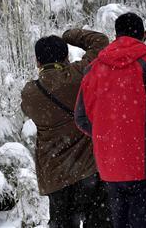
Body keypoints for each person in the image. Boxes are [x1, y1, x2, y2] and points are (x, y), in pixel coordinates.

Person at [75, 12, 146, 228]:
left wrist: (108, 133)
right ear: (144, 35)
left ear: (116, 35)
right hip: (144, 161)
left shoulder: (94, 68)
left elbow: (81, 118)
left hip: (110, 164)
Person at [21, 28, 112, 228]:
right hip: (89, 170)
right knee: (99, 222)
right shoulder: (79, 76)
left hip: (55, 177)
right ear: (66, 57)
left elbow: (27, 110)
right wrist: (68, 34)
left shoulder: (30, 93)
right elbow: (100, 42)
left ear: (38, 62)